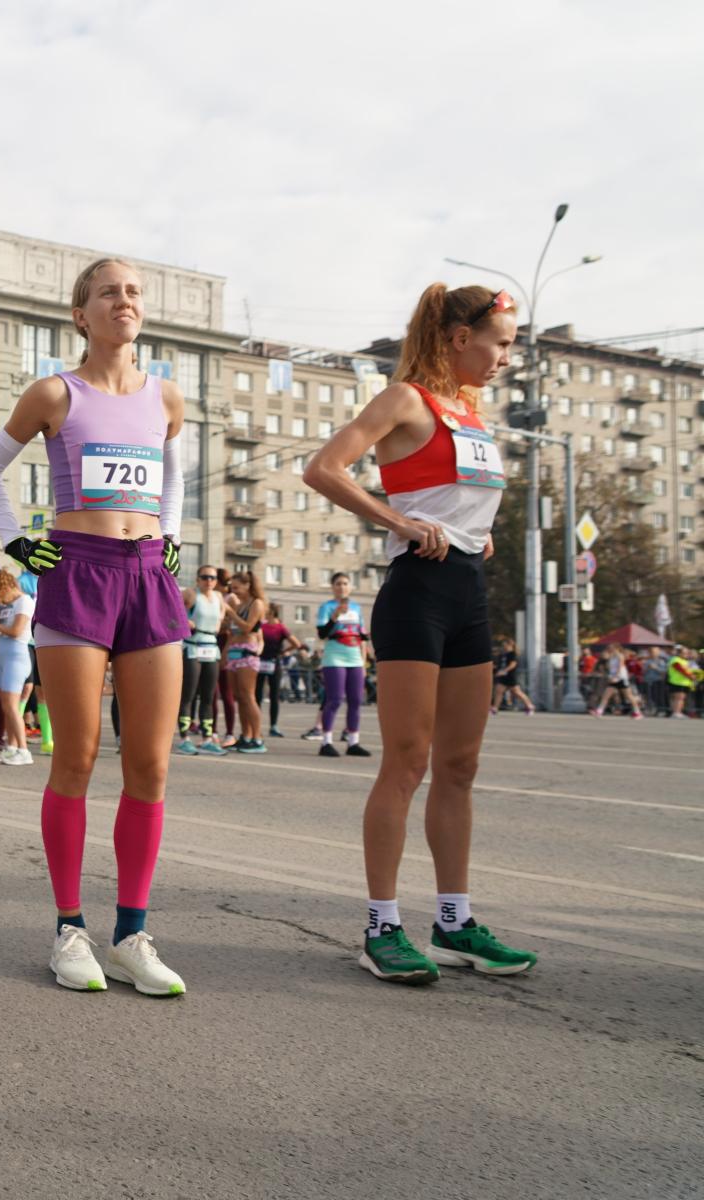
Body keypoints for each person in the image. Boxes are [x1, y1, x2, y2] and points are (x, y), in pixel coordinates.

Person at [303, 281, 537, 984]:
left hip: (469, 594)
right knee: (406, 762)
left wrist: (480, 536)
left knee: (459, 767)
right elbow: (323, 468)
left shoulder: (475, 416)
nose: (504, 359)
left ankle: (455, 923)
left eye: (510, 347)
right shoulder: (406, 399)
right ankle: (381, 926)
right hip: (417, 596)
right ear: (459, 337)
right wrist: (398, 522)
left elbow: (458, 499)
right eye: (498, 344)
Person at [0, 256, 189, 997]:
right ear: (81, 313)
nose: (123, 301)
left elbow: (173, 472)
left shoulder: (167, 398)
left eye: (133, 291)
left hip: (148, 574)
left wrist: (176, 532)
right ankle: (70, 928)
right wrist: (15, 543)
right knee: (77, 756)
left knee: (151, 764)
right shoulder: (54, 393)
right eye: (108, 292)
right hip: (79, 570)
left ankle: (132, 933)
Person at [309, 571, 373, 757]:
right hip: (334, 657)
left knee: (356, 700)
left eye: (345, 583)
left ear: (350, 587)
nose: (342, 587)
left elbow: (362, 635)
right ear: (332, 587)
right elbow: (322, 634)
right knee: (335, 699)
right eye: (338, 583)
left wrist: (363, 660)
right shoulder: (327, 607)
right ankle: (326, 741)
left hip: (354, 657)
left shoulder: (356, 607)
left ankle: (353, 742)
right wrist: (334, 617)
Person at [0, 569, 36, 765]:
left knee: (12, 706)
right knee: (8, 706)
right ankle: (12, 746)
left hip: (16, 655)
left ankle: (23, 750)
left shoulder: (24, 601)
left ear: (4, 588)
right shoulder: (8, 604)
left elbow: (15, 631)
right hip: (4, 656)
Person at [175, 564, 225, 756]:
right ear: (197, 579)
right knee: (189, 693)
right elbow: (172, 611)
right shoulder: (190, 593)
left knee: (208, 696)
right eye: (205, 577)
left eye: (213, 578)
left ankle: (207, 739)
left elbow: (223, 616)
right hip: (193, 647)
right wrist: (185, 621)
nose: (209, 581)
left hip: (211, 647)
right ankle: (185, 738)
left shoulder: (219, 597)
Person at [221, 572, 268, 753]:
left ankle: (257, 738)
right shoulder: (239, 605)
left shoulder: (256, 603)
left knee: (248, 697)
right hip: (234, 653)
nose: (233, 591)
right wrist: (224, 654)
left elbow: (248, 627)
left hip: (248, 653)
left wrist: (230, 612)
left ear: (248, 585)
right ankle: (246, 735)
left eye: (236, 587)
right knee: (239, 697)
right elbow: (233, 633)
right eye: (232, 588)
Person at [256, 609, 302, 736]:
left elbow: (297, 643)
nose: (265, 615)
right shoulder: (273, 626)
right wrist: (283, 652)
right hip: (269, 661)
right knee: (261, 695)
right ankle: (264, 726)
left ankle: (270, 726)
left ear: (272, 614)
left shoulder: (278, 627)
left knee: (269, 695)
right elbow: (296, 644)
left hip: (267, 661)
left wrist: (284, 652)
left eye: (267, 613)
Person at [490, 634, 534, 716]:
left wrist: (504, 670)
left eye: (505, 645)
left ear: (510, 645)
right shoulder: (502, 655)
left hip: (510, 676)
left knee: (517, 693)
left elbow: (513, 664)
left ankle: (529, 706)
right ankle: (494, 708)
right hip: (503, 677)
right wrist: (495, 669)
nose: (504, 646)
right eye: (503, 645)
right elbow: (499, 665)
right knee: (498, 691)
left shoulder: (512, 654)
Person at [666, 646, 699, 717]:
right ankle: (676, 712)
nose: (687, 655)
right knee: (679, 698)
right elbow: (681, 670)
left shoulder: (684, 660)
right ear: (679, 653)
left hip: (683, 682)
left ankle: (676, 712)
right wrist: (691, 676)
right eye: (685, 653)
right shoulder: (676, 660)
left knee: (679, 698)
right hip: (678, 682)